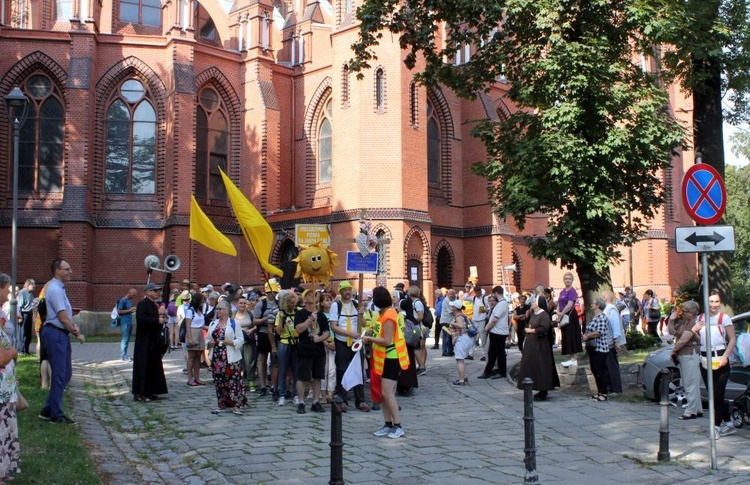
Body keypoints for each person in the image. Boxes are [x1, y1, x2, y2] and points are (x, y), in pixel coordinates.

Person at [40, 259, 85, 424]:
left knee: (65, 373)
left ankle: (48, 409)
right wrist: (76, 333)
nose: (70, 272)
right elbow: (62, 316)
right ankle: (56, 414)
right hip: (55, 333)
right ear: (57, 271)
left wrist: (72, 327)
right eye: (67, 269)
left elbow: (65, 316)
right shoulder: (55, 289)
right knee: (60, 374)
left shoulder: (58, 288)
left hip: (59, 333)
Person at [363, 286, 409, 439]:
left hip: (392, 358)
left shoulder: (389, 315)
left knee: (387, 394)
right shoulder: (385, 313)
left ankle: (398, 425)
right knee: (384, 394)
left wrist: (369, 339)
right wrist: (371, 333)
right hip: (384, 358)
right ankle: (388, 424)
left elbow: (386, 340)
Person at [692, 290, 737, 437]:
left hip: (720, 360)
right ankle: (729, 423)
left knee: (717, 395)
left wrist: (725, 357)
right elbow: (701, 341)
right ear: (706, 302)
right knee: (713, 394)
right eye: (711, 302)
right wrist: (695, 331)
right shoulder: (700, 318)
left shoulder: (724, 319)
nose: (714, 305)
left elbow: (732, 339)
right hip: (705, 359)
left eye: (717, 302)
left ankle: (716, 426)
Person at [330, 281, 369, 412]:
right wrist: (349, 333)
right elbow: (334, 326)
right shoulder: (336, 305)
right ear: (340, 292)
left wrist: (361, 314)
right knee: (342, 370)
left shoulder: (356, 304)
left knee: (358, 370)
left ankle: (361, 401)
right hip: (341, 342)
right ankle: (342, 400)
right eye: (345, 290)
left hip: (355, 343)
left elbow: (362, 323)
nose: (347, 292)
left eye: (349, 290)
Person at [207, 300, 246, 415]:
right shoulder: (213, 324)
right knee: (219, 380)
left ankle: (236, 405)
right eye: (217, 309)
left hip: (230, 356)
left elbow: (240, 339)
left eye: (220, 309)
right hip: (217, 356)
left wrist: (231, 342)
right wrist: (208, 344)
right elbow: (208, 339)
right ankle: (222, 403)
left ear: (227, 310)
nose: (217, 311)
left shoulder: (234, 324)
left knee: (233, 381)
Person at [518, 294, 559, 401]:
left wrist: (532, 331)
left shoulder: (544, 315)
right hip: (532, 345)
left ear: (538, 303)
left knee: (541, 366)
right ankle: (531, 387)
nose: (531, 303)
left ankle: (543, 390)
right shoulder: (534, 314)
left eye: (533, 302)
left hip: (540, 346)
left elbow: (544, 328)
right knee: (531, 366)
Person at [294, 289, 329, 414]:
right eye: (308, 295)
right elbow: (298, 329)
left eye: (313, 295)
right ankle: (301, 402)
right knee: (302, 377)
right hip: (304, 349)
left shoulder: (322, 315)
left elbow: (327, 332)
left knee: (317, 377)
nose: (311, 296)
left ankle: (315, 401)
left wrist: (319, 338)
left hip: (318, 350)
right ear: (304, 300)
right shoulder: (300, 314)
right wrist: (310, 320)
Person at [132, 282, 168, 402]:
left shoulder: (154, 305)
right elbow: (141, 319)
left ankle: (151, 390)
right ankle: (141, 392)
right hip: (144, 341)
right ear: (148, 292)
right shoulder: (142, 304)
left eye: (158, 291)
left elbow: (153, 321)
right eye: (155, 291)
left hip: (153, 340)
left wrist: (161, 320)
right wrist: (156, 320)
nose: (158, 293)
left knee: (153, 365)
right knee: (143, 365)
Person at [0, 273, 21, 480]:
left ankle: (4, 470)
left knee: (5, 430)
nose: (9, 293)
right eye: (7, 288)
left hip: (5, 389)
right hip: (0, 392)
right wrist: (13, 352)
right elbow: (0, 358)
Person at [668, 300, 703, 420]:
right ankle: (697, 409)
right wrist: (671, 320)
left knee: (689, 384)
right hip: (684, 355)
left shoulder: (694, 322)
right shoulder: (685, 321)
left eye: (685, 311)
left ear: (692, 312)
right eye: (682, 311)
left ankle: (690, 411)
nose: (682, 313)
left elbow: (683, 340)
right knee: (691, 383)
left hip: (690, 355)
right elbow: (673, 332)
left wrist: (673, 350)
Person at [253, 284, 279, 398]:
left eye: (274, 292)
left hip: (275, 333)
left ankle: (273, 385)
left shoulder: (279, 304)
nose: (273, 294)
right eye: (271, 292)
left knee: (274, 360)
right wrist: (266, 318)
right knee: (262, 359)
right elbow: (255, 321)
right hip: (263, 333)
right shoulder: (261, 304)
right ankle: (263, 386)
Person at [583, 298, 611, 402]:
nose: (592, 304)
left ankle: (604, 393)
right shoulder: (595, 317)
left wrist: (588, 336)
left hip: (600, 348)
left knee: (601, 371)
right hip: (593, 348)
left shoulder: (602, 317)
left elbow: (599, 331)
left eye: (594, 303)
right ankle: (599, 392)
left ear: (598, 305)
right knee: (595, 370)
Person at [480, 286, 510, 380]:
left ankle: (502, 371)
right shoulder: (501, 303)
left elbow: (495, 319)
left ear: (496, 293)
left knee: (499, 353)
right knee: (492, 353)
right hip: (495, 332)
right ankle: (488, 371)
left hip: (499, 332)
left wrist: (487, 328)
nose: (493, 296)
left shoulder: (502, 304)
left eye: (493, 294)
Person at [556, 272, 582, 367]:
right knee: (566, 336)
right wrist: (558, 313)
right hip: (563, 315)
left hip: (570, 316)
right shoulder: (562, 291)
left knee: (572, 335)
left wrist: (561, 313)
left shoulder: (572, 291)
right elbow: (559, 303)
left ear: (572, 280)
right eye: (566, 278)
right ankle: (571, 358)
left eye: (569, 279)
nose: (567, 280)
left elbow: (570, 304)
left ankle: (574, 358)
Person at [601, 291, 624, 394]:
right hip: (607, 342)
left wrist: (616, 341)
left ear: (605, 298)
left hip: (611, 342)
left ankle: (616, 388)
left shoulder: (611, 309)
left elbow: (615, 325)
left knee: (612, 366)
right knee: (607, 366)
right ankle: (610, 387)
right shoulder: (607, 309)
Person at [184, 292, 207, 387]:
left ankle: (197, 378)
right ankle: (190, 378)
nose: (203, 303)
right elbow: (188, 325)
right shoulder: (190, 311)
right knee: (191, 357)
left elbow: (202, 325)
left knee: (198, 357)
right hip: (193, 333)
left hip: (200, 333)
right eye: (201, 301)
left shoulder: (200, 312)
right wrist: (190, 338)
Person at [235, 296, 257, 391]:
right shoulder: (232, 315)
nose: (242, 305)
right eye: (241, 303)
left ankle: (251, 381)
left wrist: (252, 330)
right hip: (236, 342)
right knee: (237, 363)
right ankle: (238, 383)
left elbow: (256, 325)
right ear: (237, 304)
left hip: (248, 341)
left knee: (249, 362)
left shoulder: (250, 314)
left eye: (244, 303)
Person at [449, 299, 472, 385]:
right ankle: (463, 377)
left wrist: (452, 324)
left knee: (460, 360)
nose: (451, 307)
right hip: (466, 338)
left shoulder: (458, 316)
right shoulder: (463, 315)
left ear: (455, 307)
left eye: (452, 306)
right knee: (461, 360)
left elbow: (461, 325)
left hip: (461, 339)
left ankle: (461, 380)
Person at [117, 288, 137, 361]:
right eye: (133, 295)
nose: (133, 297)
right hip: (124, 322)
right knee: (125, 339)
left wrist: (133, 310)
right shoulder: (123, 300)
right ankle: (123, 355)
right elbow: (119, 311)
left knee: (127, 338)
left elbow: (129, 311)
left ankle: (125, 354)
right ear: (130, 293)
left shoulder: (129, 301)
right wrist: (129, 310)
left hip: (129, 321)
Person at [17, 278, 35, 355]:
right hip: (24, 314)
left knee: (28, 333)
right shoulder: (22, 293)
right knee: (22, 333)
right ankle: (21, 350)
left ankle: (26, 349)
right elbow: (20, 306)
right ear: (28, 285)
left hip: (29, 313)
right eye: (32, 285)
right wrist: (20, 317)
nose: (34, 287)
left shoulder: (31, 293)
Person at [440, 289, 456, 356]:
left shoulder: (452, 300)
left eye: (453, 294)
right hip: (445, 321)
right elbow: (452, 311)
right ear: (448, 294)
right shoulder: (446, 300)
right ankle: (445, 351)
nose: (452, 295)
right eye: (451, 294)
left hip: (450, 321)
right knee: (446, 337)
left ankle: (450, 350)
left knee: (450, 336)